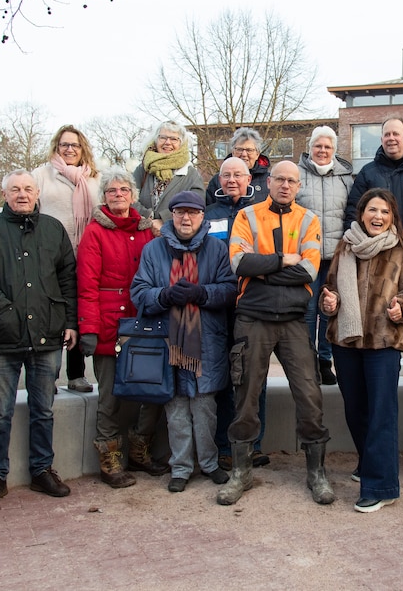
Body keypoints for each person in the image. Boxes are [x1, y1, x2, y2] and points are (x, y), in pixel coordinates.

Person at [217, 161, 334, 506]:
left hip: (294, 319)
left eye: (291, 181)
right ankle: (242, 472)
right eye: (279, 179)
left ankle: (317, 472)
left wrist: (263, 269)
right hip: (253, 317)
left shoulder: (309, 220)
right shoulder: (247, 216)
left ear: (299, 186)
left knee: (309, 396)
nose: (285, 185)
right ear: (267, 182)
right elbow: (238, 263)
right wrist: (284, 260)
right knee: (246, 395)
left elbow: (309, 270)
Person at [0, 170, 78, 507]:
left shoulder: (53, 230)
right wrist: (0, 303)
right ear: (4, 193)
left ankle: (42, 470)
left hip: (47, 334)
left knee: (44, 410)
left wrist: (69, 321)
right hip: (3, 336)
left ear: (37, 191)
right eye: (15, 189)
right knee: (0, 413)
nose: (22, 194)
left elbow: (68, 278)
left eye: (27, 188)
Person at [320, 188, 403, 513]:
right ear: (361, 213)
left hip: (382, 343)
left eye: (384, 212)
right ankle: (369, 463)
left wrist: (401, 310)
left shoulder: (400, 249)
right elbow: (331, 288)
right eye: (372, 210)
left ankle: (381, 486)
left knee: (381, 412)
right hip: (346, 341)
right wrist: (330, 301)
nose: (377, 217)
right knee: (355, 409)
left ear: (392, 217)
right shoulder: (345, 246)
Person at [131, 191, 237, 493]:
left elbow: (230, 290)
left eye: (192, 213)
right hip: (167, 342)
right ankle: (180, 467)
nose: (186, 218)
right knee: (175, 409)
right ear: (172, 215)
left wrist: (202, 293)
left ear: (202, 216)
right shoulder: (154, 250)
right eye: (180, 213)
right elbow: (139, 291)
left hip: (206, 342)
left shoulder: (217, 250)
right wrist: (163, 296)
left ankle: (210, 463)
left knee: (205, 408)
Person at [75, 169, 163, 489]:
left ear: (133, 195)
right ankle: (110, 458)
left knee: (150, 391)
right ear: (105, 197)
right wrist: (89, 327)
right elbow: (86, 286)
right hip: (109, 324)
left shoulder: (146, 231)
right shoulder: (95, 233)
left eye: (124, 190)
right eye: (112, 191)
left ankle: (140, 449)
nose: (118, 195)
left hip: (144, 322)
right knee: (110, 396)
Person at [343, 117, 403, 388]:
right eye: (386, 135)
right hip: (379, 255)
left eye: (396, 134)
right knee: (384, 311)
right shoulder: (368, 173)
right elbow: (353, 211)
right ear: (381, 139)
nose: (391, 138)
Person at [206, 157, 269, 470]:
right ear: (219, 180)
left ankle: (254, 444)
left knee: (254, 375)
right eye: (226, 175)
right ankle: (225, 446)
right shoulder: (208, 215)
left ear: (249, 180)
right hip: (218, 307)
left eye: (238, 175)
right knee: (222, 378)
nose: (232, 180)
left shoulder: (258, 213)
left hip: (251, 303)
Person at [32, 124, 101, 393]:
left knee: (79, 313)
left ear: (82, 148)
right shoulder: (41, 175)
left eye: (74, 145)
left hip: (86, 256)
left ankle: (76, 374)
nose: (69, 149)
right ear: (56, 147)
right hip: (51, 257)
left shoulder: (95, 178)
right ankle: (47, 376)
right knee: (51, 312)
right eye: (64, 145)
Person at [296, 126, 356, 386]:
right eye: (318, 146)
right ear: (310, 148)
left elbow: (351, 211)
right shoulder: (297, 174)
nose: (322, 151)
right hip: (305, 256)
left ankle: (324, 360)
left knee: (329, 309)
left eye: (327, 147)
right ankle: (307, 361)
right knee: (308, 310)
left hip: (335, 255)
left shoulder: (346, 177)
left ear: (334, 150)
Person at [132, 121, 205, 238]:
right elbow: (129, 197)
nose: (167, 142)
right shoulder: (143, 169)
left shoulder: (190, 174)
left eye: (174, 139)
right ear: (156, 140)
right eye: (163, 138)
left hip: (174, 238)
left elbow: (196, 204)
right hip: (141, 234)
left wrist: (163, 219)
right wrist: (148, 217)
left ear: (181, 144)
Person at [205, 126, 271, 206]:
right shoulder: (218, 180)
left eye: (249, 150)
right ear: (233, 152)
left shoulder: (269, 181)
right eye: (239, 149)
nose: (244, 154)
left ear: (257, 154)